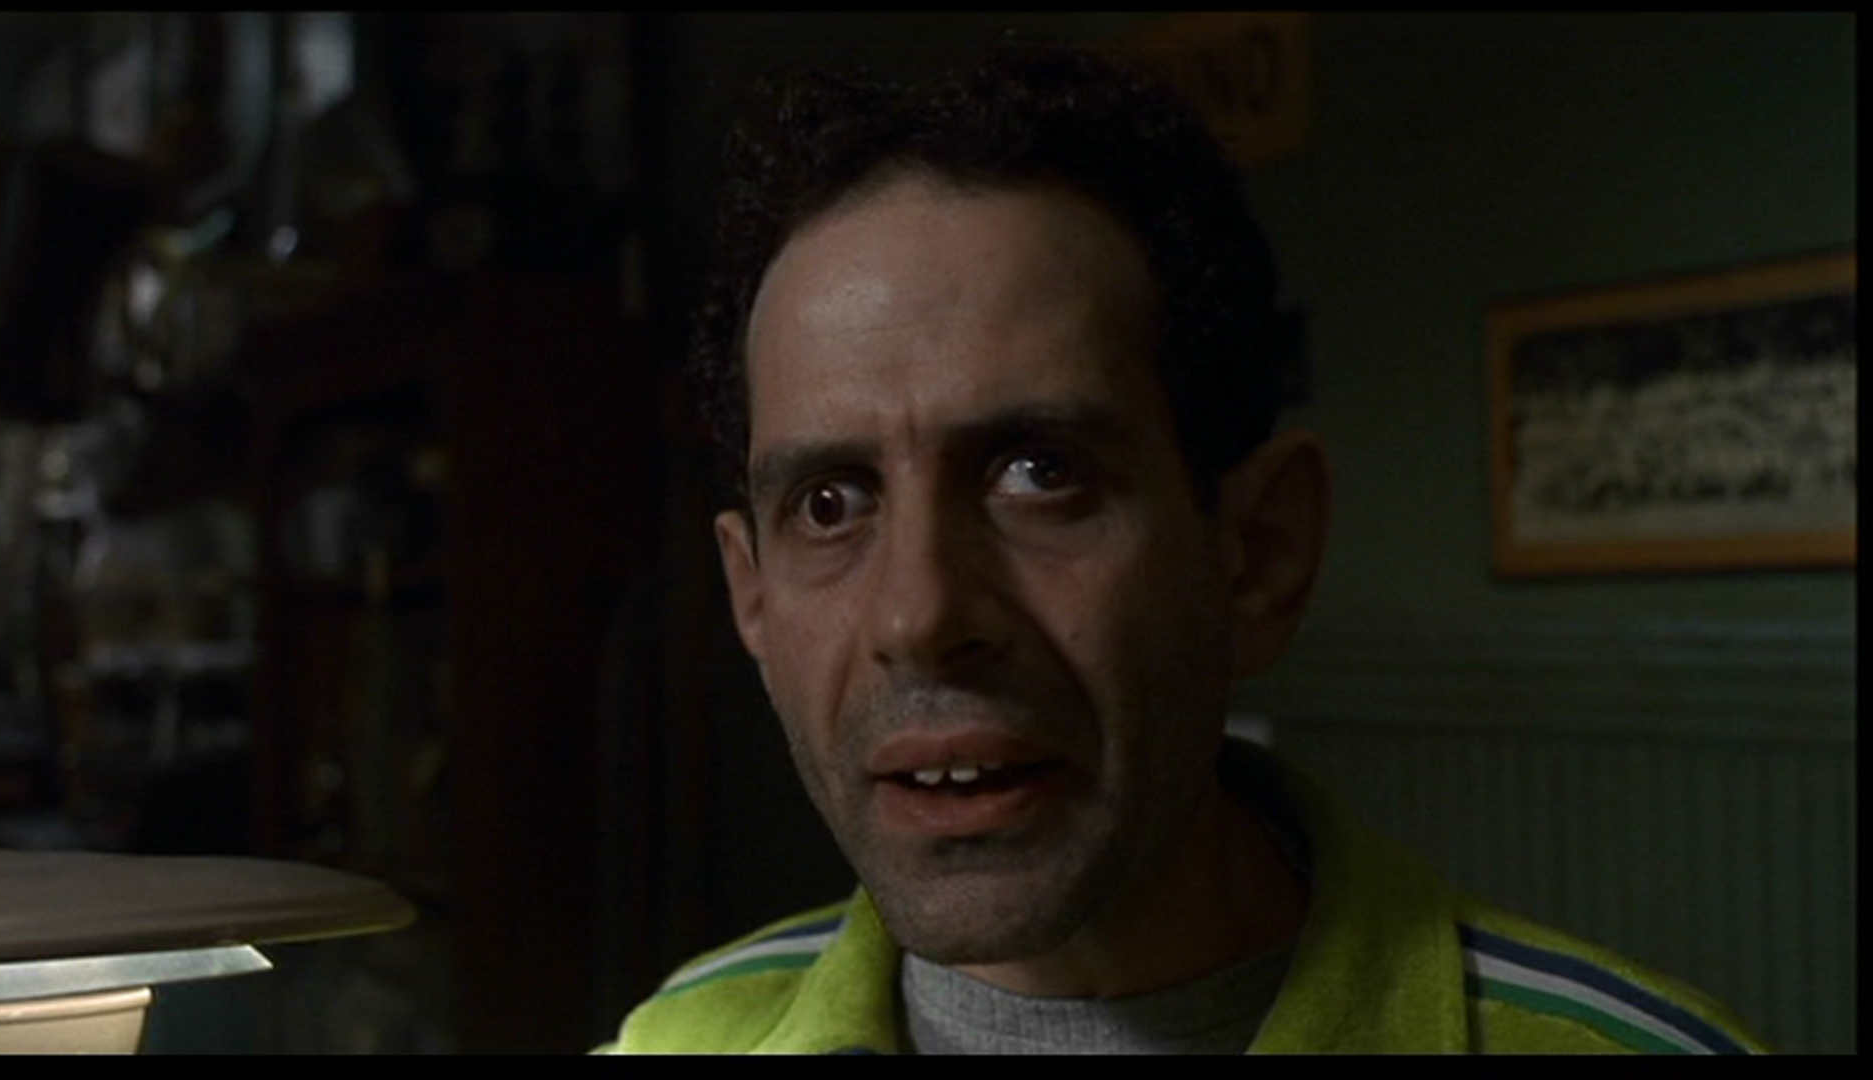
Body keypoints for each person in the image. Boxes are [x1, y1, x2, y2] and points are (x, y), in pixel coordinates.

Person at [602, 44, 1766, 1054]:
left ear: (1259, 550)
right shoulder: (678, 1040)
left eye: (1038, 472)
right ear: (751, 599)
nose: (920, 615)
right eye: (828, 504)